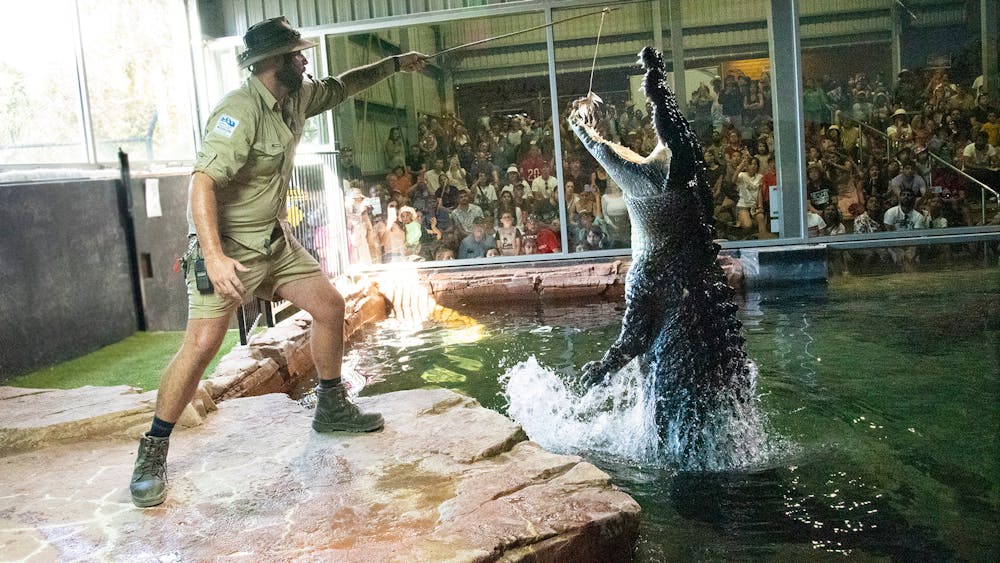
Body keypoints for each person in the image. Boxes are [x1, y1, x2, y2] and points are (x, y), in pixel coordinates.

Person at [128, 16, 426, 508]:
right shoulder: (238, 111)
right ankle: (153, 449)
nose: (304, 60)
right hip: (227, 248)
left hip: (274, 243)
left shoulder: (297, 96)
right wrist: (217, 257)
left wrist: (396, 64)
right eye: (296, 54)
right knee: (201, 346)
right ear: (271, 63)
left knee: (330, 307)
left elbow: (345, 85)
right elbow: (202, 183)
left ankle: (331, 407)